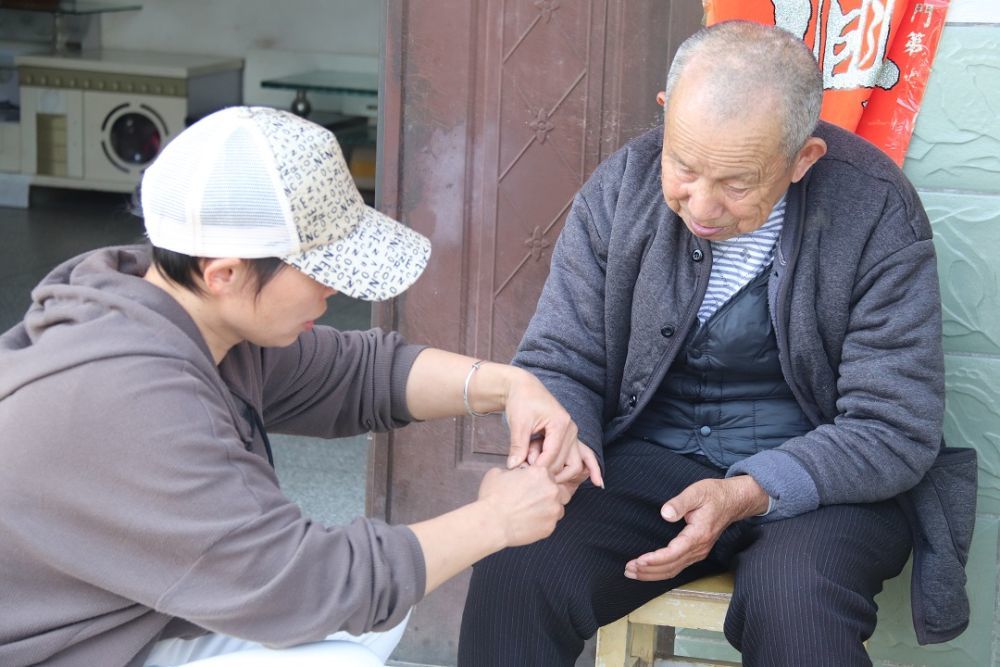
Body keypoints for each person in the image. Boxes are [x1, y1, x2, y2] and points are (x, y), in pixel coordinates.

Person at [0, 106, 601, 667]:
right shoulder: (131, 403)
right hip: (53, 649)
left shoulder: (169, 311)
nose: (332, 290)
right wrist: (495, 520)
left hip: (120, 614)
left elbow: (358, 374)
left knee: (376, 612)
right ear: (225, 274)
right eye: (319, 267)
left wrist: (510, 384)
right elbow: (304, 585)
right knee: (342, 654)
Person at [459, 21, 974, 666]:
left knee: (796, 605)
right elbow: (563, 359)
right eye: (684, 165)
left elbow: (894, 426)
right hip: (653, 460)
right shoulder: (624, 186)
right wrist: (565, 441)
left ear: (802, 160)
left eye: (736, 183)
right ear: (666, 115)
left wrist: (747, 491)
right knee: (519, 561)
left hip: (823, 485)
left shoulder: (874, 211)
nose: (700, 204)